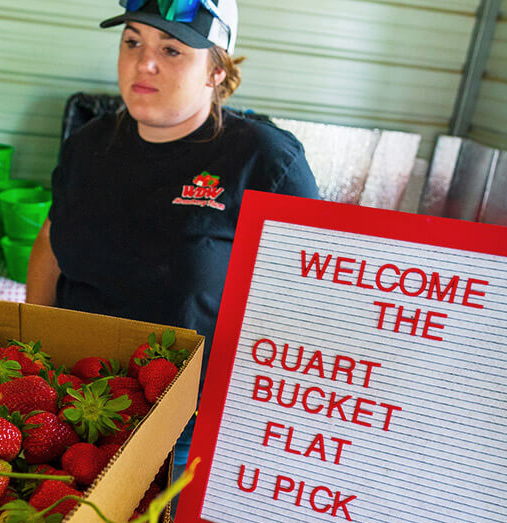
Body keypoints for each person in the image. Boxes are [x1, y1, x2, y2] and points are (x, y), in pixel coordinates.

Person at [26, 0, 320, 467]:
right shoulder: (87, 145)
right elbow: (50, 243)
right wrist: (32, 352)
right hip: (71, 408)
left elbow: (311, 299)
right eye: (133, 42)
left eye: (173, 49)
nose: (144, 62)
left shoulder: (264, 161)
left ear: (215, 72)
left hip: (186, 434)